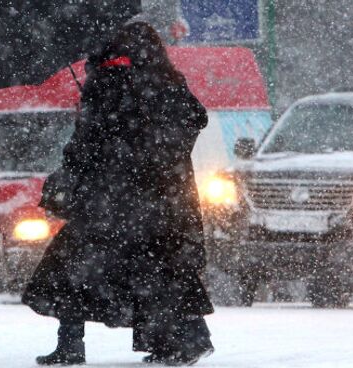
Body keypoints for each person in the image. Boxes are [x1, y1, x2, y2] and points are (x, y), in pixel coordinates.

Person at [22, 21, 214, 366]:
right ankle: (182, 341)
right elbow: (195, 119)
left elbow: (86, 143)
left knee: (73, 268)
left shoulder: (109, 85)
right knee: (162, 270)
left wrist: (78, 166)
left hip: (109, 199)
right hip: (161, 197)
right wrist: (159, 155)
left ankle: (71, 345)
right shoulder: (166, 82)